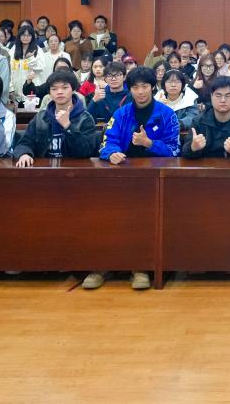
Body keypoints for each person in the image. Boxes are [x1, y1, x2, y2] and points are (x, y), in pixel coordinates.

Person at [84, 66, 181, 291]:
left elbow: (175, 150)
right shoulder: (121, 113)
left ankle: (140, 267)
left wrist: (149, 143)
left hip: (155, 180)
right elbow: (107, 141)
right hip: (123, 175)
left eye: (145, 86)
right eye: (136, 87)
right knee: (107, 217)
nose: (140, 92)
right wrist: (112, 153)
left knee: (143, 220)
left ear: (153, 88)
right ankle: (102, 266)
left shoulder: (167, 115)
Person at [12, 71, 100, 166]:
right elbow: (25, 142)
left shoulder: (85, 118)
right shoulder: (41, 117)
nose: (59, 92)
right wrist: (24, 153)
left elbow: (86, 151)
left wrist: (68, 126)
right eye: (54, 89)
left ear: (73, 89)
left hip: (75, 169)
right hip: (44, 169)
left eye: (65, 88)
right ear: (49, 93)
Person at [183, 75, 230, 160]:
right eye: (218, 95)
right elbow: (185, 150)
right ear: (211, 97)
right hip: (207, 166)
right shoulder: (199, 120)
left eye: (228, 95)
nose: (223, 100)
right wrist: (193, 148)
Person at [87, 61, 130, 125]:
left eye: (117, 75)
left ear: (124, 77)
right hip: (104, 130)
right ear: (105, 79)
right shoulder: (100, 95)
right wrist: (94, 100)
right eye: (109, 76)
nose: (113, 79)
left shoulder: (131, 95)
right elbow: (88, 119)